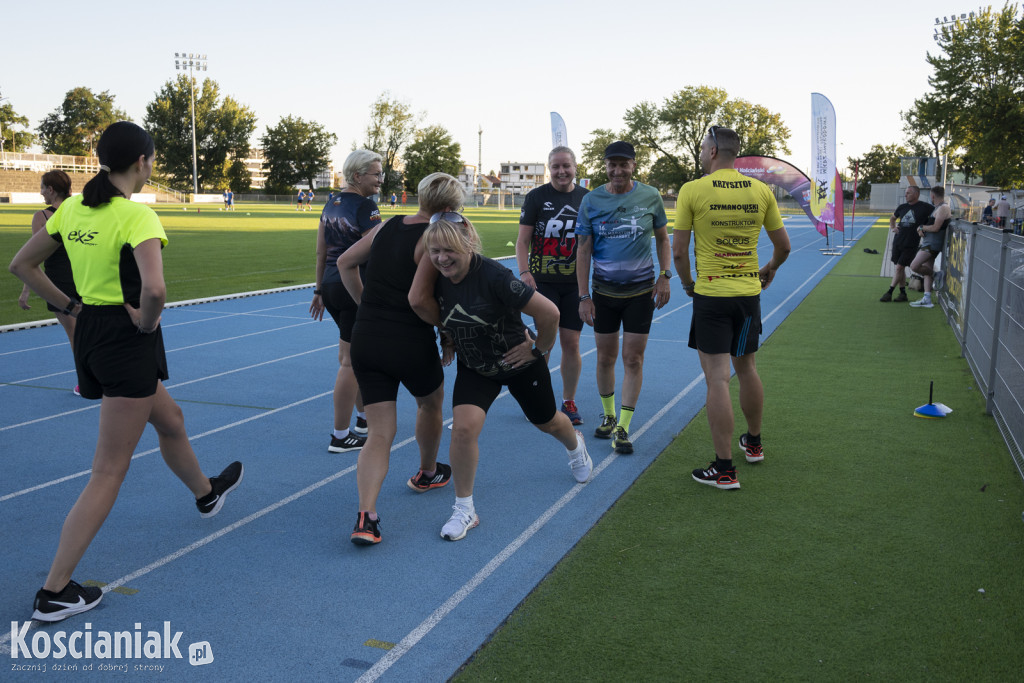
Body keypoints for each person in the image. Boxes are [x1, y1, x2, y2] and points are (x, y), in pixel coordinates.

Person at [8, 121, 243, 622]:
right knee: (109, 469)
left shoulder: (70, 208)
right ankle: (54, 590)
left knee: (171, 419)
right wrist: (144, 320)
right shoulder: (137, 218)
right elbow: (154, 291)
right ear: (143, 161)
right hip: (124, 336)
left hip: (92, 332)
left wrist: (70, 308)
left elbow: (22, 266)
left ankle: (206, 493)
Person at [410, 215, 593, 542]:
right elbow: (439, 311)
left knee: (548, 421)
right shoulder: (435, 278)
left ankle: (576, 447)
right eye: (434, 251)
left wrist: (538, 349)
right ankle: (465, 509)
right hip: (476, 367)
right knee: (463, 429)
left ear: (467, 244)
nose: (441, 258)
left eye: (449, 249)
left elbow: (549, 313)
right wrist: (448, 336)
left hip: (519, 362)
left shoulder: (496, 276)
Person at [338, 173, 464, 545]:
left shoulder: (387, 225)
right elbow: (418, 300)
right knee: (430, 403)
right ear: (447, 209)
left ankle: (366, 517)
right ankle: (427, 472)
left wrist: (367, 306)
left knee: (379, 432)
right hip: (408, 339)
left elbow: (345, 263)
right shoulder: (434, 238)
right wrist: (446, 330)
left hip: (366, 336)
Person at [673, 125, 790, 490]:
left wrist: (688, 284)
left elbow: (678, 251)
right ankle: (753, 444)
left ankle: (724, 469)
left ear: (710, 152)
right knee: (748, 367)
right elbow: (784, 247)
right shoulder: (760, 190)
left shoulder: (693, 190)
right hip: (747, 293)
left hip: (711, 294)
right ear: (734, 153)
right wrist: (768, 270)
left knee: (717, 378)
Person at [575, 141, 672, 455]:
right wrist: (583, 296)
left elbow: (662, 240)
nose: (617, 170)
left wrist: (665, 276)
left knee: (633, 359)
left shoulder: (651, 196)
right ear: (605, 166)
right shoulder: (591, 200)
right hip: (603, 294)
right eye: (611, 164)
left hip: (640, 293)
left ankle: (624, 428)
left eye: (623, 164)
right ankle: (608, 414)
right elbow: (584, 250)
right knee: (605, 358)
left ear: (633, 165)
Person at [310, 149, 383, 453]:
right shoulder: (366, 207)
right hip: (354, 285)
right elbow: (380, 250)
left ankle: (364, 419)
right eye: (376, 174)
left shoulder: (330, 205)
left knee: (356, 355)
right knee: (350, 361)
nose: (381, 179)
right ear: (358, 176)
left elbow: (321, 251)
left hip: (331, 285)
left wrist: (318, 291)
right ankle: (340, 436)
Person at [516, 146, 589, 425]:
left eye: (566, 166)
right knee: (544, 343)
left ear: (574, 167)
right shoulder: (536, 197)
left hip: (574, 283)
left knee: (571, 343)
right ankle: (540, 398)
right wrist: (524, 272)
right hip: (543, 282)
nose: (561, 171)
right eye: (555, 167)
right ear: (549, 169)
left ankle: (568, 401)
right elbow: (522, 242)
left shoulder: (587, 199)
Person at [17, 170, 80, 395]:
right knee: (94, 329)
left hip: (59, 285)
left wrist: (26, 291)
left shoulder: (42, 217)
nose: (40, 191)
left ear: (51, 190)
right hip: (86, 276)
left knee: (75, 334)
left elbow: (33, 258)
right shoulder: (81, 211)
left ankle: (87, 381)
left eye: (42, 187)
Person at [881, 186, 932, 302]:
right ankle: (903, 293)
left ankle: (889, 292)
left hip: (911, 243)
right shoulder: (902, 207)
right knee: (901, 268)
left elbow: (936, 215)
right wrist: (893, 228)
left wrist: (925, 227)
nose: (906, 195)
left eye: (908, 193)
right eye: (906, 193)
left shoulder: (925, 207)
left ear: (916, 194)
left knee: (899, 267)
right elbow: (892, 218)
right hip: (898, 241)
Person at [908, 186, 952, 309]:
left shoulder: (943, 208)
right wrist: (921, 229)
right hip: (928, 242)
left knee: (914, 266)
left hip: (932, 244)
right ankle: (927, 298)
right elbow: (930, 226)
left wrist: (922, 227)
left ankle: (937, 275)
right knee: (926, 269)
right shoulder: (937, 208)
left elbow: (936, 227)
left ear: (932, 196)